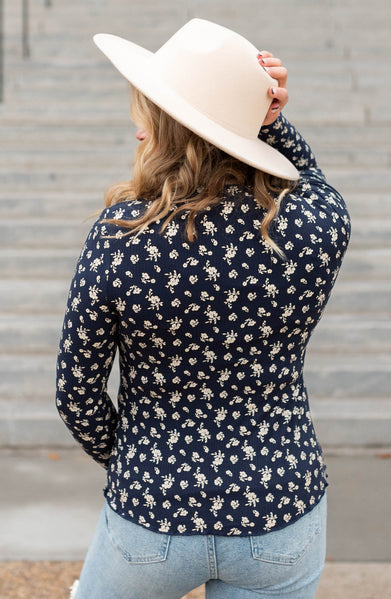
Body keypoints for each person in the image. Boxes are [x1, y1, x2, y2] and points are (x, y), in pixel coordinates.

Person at [56, 19, 350, 599]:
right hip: (279, 504)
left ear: (170, 131)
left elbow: (76, 393)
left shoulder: (120, 238)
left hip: (152, 512)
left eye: (150, 117)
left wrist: (139, 458)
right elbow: (311, 179)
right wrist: (269, 123)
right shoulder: (316, 225)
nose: (139, 132)